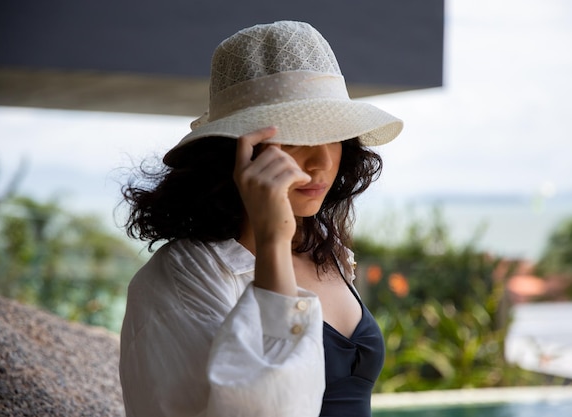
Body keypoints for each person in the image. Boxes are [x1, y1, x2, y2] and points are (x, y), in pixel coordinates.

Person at [119, 20, 403, 417]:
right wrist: (270, 243)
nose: (322, 162)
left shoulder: (327, 250)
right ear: (234, 152)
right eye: (296, 137)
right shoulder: (182, 277)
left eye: (333, 136)